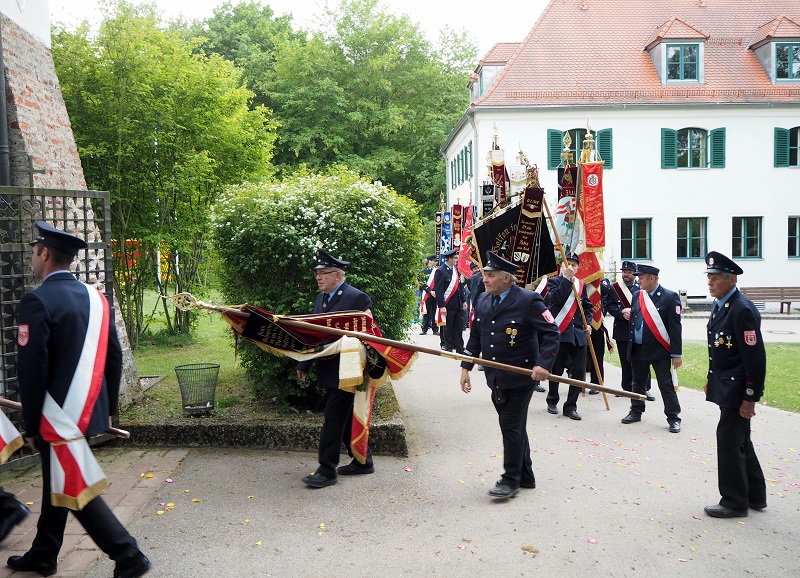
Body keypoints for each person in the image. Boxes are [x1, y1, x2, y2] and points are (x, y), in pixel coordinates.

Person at [9, 221, 151, 578]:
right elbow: (114, 357)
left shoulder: (36, 300)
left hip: (57, 416)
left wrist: (31, 426)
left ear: (44, 253)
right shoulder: (98, 298)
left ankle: (128, 554)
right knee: (59, 479)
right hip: (89, 409)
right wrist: (112, 410)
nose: (31, 256)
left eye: (33, 250)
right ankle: (43, 554)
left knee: (77, 488)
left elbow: (32, 370)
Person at [460, 252, 559, 499]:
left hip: (521, 376)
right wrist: (466, 367)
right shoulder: (483, 299)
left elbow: (551, 333)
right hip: (495, 377)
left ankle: (510, 479)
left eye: (490, 276)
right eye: (484, 275)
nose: (485, 280)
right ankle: (525, 475)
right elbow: (475, 337)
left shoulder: (529, 300)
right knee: (514, 427)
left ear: (506, 278)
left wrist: (544, 364)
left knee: (510, 426)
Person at [296, 249, 375, 488]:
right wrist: (305, 363)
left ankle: (327, 469)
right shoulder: (320, 299)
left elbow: (368, 335)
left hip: (348, 371)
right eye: (317, 274)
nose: (318, 278)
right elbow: (314, 334)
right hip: (328, 367)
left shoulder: (357, 298)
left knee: (333, 417)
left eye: (323, 273)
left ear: (338, 275)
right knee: (343, 417)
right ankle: (363, 461)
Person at [702, 251, 767, 518]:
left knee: (729, 442)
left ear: (731, 280)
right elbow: (717, 348)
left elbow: (754, 359)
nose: (709, 283)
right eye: (709, 278)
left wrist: (750, 397)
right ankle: (755, 495)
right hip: (726, 384)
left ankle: (734, 501)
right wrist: (710, 376)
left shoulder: (741, 309)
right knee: (741, 440)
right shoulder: (722, 305)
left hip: (738, 389)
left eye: (715, 279)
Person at [621, 264, 682, 433]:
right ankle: (636, 411)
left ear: (652, 278)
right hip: (638, 348)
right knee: (637, 383)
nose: (638, 280)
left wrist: (676, 353)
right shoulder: (637, 295)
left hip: (659, 350)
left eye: (641, 278)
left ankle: (673, 417)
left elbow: (675, 328)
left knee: (665, 385)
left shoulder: (669, 297)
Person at [544, 253, 592, 420]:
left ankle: (571, 406)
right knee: (556, 369)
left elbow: (587, 307)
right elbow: (555, 300)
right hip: (560, 331)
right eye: (568, 264)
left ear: (578, 267)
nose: (570, 267)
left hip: (578, 333)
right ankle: (552, 399)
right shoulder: (554, 282)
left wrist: (589, 324)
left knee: (578, 371)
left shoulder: (581, 285)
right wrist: (565, 279)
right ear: (562, 266)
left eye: (574, 265)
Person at [607, 261, 653, 400]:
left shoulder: (642, 287)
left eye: (629, 272)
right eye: (624, 272)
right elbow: (609, 306)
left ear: (634, 273)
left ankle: (645, 388)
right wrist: (621, 312)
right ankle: (627, 388)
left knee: (643, 359)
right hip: (622, 329)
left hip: (639, 330)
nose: (626, 274)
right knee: (625, 360)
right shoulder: (614, 288)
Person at [434, 248, 467, 353]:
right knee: (448, 327)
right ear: (449, 259)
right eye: (455, 258)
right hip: (448, 305)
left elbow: (459, 287)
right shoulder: (440, 271)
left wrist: (464, 300)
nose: (457, 260)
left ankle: (460, 348)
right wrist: (442, 306)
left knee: (459, 327)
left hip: (458, 304)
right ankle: (448, 347)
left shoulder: (455, 270)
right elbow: (439, 290)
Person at [585, 278, 614, 395]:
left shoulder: (603, 284)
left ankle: (596, 383)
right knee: (578, 356)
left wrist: (598, 315)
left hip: (597, 323)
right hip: (579, 322)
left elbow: (606, 300)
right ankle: (577, 384)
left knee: (597, 354)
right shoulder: (579, 281)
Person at [419, 255, 439, 336]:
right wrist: (430, 291)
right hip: (427, 294)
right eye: (434, 261)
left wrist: (436, 291)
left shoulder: (437, 271)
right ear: (430, 261)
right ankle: (424, 329)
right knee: (426, 312)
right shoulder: (424, 271)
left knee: (435, 311)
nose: (435, 262)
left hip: (436, 294)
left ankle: (435, 329)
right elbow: (422, 283)